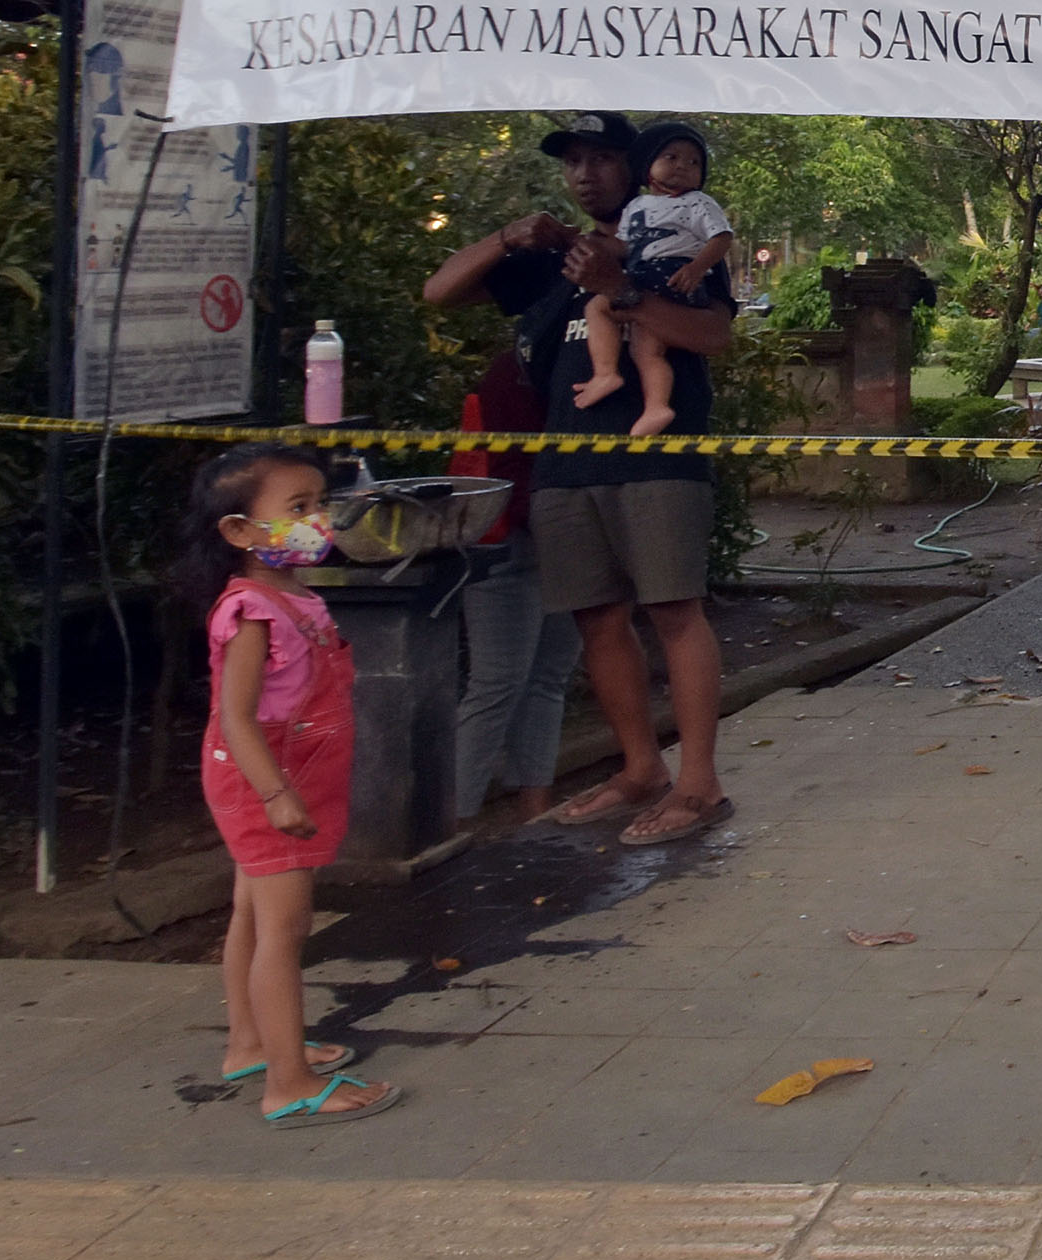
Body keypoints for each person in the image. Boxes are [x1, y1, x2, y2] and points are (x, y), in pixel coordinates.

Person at [419, 111, 739, 849]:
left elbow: (713, 335)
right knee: (596, 617)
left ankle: (699, 783)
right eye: (572, 162)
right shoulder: (552, 258)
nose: (585, 174)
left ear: (640, 166)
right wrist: (511, 236)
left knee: (674, 610)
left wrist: (619, 288)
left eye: (601, 158)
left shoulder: (678, 240)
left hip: (657, 457)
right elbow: (440, 291)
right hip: (563, 460)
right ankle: (640, 768)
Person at [180, 439, 398, 1129]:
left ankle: (251, 1044)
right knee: (285, 929)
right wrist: (276, 794)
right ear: (239, 530)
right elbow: (236, 716)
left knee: (252, 913)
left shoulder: (289, 595)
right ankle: (289, 1082)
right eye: (297, 507)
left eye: (319, 504)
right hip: (266, 780)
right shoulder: (251, 611)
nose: (316, 520)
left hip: (280, 775)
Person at [447, 346, 584, 831]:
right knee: (504, 681)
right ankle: (456, 818)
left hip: (544, 532)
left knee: (538, 677)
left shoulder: (531, 364)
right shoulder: (526, 370)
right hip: (518, 535)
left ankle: (525, 809)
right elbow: (511, 466)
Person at [572, 123, 734, 442]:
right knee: (647, 350)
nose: (682, 166)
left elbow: (722, 237)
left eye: (693, 162)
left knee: (598, 308)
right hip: (645, 274)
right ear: (647, 167)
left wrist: (698, 268)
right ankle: (657, 406)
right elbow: (624, 246)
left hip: (669, 274)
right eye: (671, 157)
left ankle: (605, 372)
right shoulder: (638, 207)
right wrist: (586, 245)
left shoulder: (697, 202)